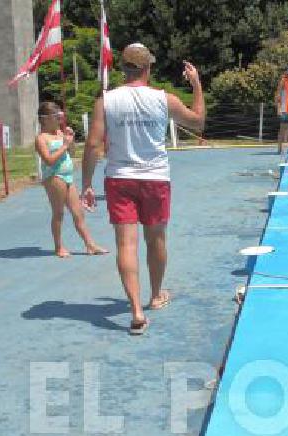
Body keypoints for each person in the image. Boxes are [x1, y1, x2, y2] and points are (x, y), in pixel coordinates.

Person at [80, 43, 206, 335]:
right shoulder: (164, 99)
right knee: (156, 240)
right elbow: (198, 122)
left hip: (119, 178)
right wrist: (197, 84)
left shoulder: (106, 101)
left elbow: (94, 144)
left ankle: (136, 309)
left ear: (122, 68)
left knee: (126, 244)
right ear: (148, 68)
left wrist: (86, 184)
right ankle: (155, 295)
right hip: (155, 179)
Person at [34, 102, 109, 258]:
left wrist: (70, 139)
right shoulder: (42, 138)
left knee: (78, 213)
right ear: (45, 119)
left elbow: (72, 152)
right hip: (54, 177)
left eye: (59, 116)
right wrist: (64, 145)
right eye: (56, 117)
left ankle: (90, 245)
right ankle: (58, 247)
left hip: (67, 176)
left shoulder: (60, 133)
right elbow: (48, 160)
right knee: (59, 213)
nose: (59, 120)